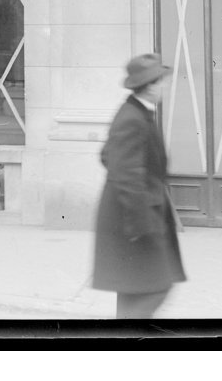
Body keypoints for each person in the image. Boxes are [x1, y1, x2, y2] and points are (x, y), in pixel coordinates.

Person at [91, 53, 186, 318]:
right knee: (155, 287)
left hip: (132, 216)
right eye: (161, 82)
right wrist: (144, 225)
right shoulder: (133, 118)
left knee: (136, 290)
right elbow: (126, 176)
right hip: (134, 220)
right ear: (150, 85)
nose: (164, 87)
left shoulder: (136, 113)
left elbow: (107, 155)